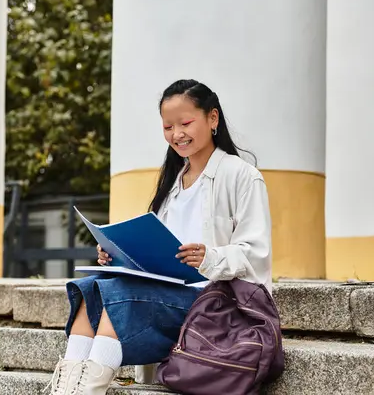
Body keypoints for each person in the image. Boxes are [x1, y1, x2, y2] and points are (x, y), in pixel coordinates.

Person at [46, 79, 272, 395]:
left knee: (119, 294)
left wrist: (209, 257)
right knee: (90, 288)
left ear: (213, 118)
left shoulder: (241, 176)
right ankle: (67, 387)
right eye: (168, 126)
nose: (176, 134)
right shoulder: (172, 188)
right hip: (170, 297)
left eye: (185, 123)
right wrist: (117, 254)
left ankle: (87, 390)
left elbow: (256, 253)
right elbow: (157, 252)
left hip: (216, 304)